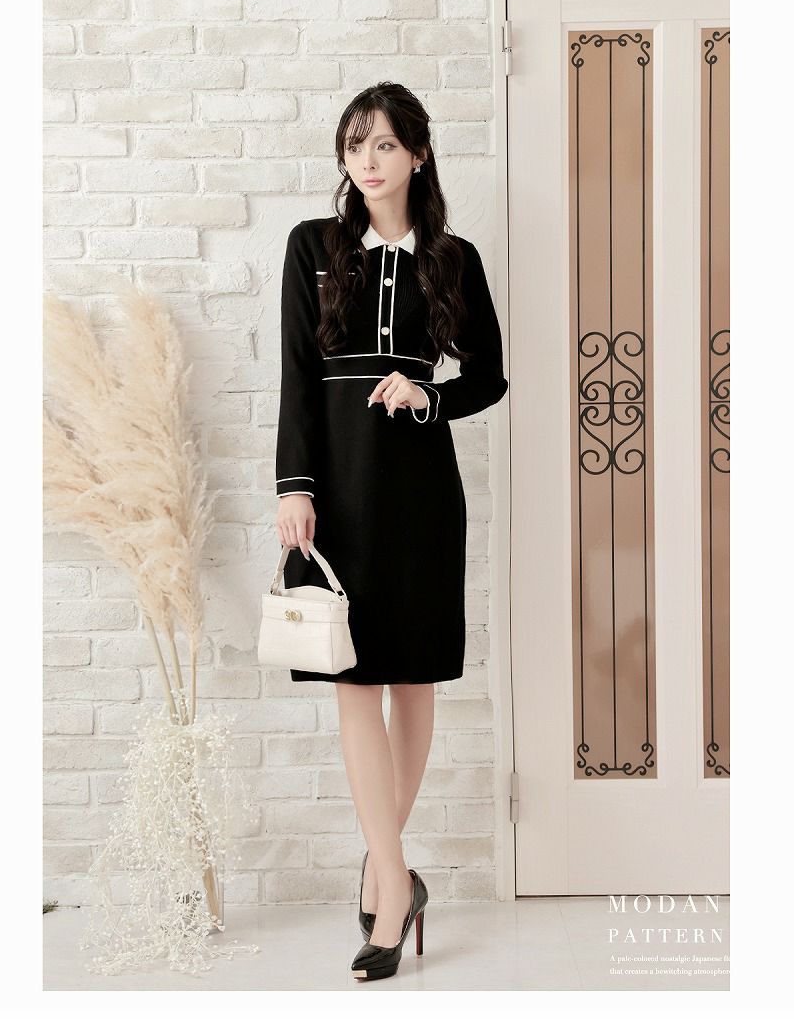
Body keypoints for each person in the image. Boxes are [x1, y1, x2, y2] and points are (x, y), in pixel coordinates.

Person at [273, 82, 509, 981]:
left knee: (411, 679)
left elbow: (488, 375)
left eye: (383, 144)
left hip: (418, 491)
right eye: (354, 145)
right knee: (351, 681)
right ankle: (396, 879)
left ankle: (384, 879)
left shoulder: (453, 258)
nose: (367, 161)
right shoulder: (313, 247)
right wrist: (295, 486)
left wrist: (427, 393)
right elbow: (298, 373)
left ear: (418, 153)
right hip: (335, 491)